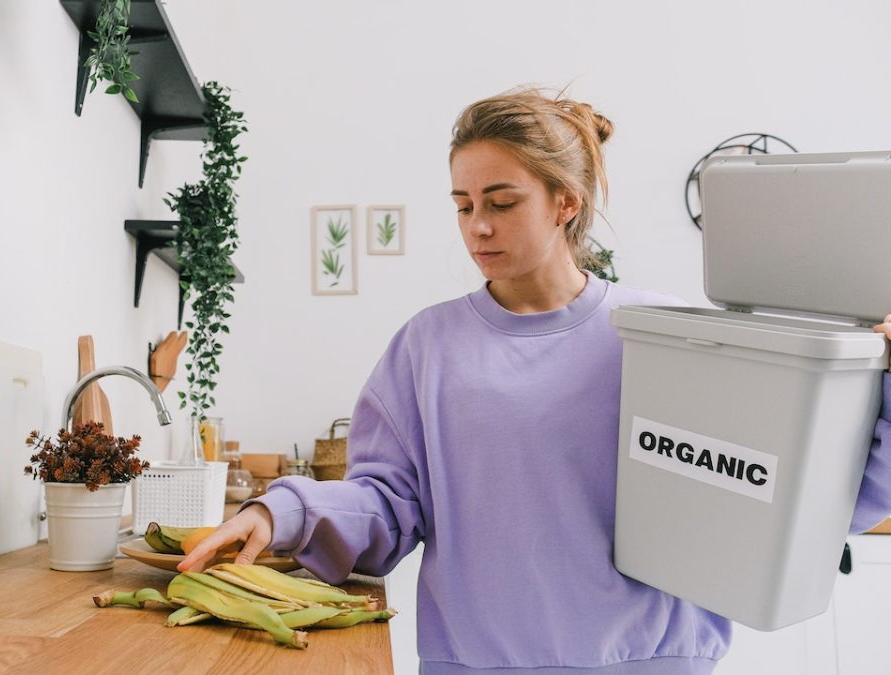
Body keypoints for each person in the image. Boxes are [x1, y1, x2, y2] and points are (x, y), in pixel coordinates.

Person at [179, 87, 891, 673]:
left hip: (653, 659)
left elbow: (795, 497)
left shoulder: (665, 334)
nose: (477, 227)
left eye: (501, 201)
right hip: (476, 664)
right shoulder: (427, 346)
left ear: (565, 202)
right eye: (462, 205)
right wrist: (283, 511)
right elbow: (386, 506)